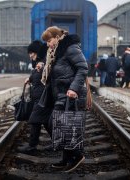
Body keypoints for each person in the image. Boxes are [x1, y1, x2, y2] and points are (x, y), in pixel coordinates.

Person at [41, 26, 88, 172]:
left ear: (57, 37)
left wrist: (73, 88)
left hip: (70, 93)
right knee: (60, 125)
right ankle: (66, 159)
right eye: (46, 41)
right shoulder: (55, 53)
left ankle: (77, 155)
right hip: (60, 94)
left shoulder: (70, 48)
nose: (48, 44)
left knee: (57, 125)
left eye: (49, 40)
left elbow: (83, 68)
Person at [17, 40, 52, 154]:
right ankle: (58, 142)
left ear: (37, 51)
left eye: (32, 52)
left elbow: (48, 75)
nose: (30, 55)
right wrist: (30, 78)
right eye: (29, 52)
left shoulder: (44, 62)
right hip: (39, 97)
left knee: (34, 120)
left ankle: (32, 147)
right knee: (46, 122)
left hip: (43, 97)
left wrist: (41, 67)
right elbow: (37, 75)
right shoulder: (38, 63)